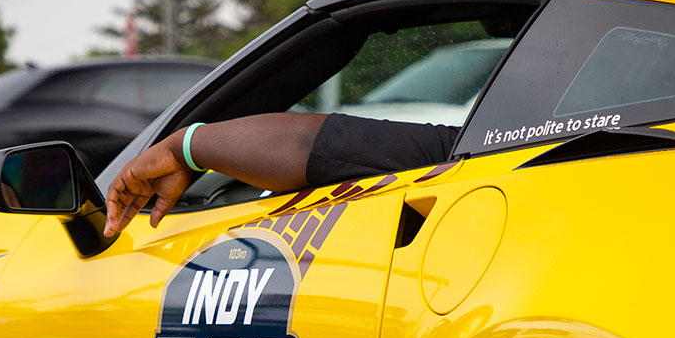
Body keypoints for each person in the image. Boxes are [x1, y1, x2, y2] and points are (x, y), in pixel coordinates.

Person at [103, 113, 461, 237]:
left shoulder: (489, 153)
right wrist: (181, 150)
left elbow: (324, 148)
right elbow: (329, 149)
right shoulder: (500, 148)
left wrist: (180, 150)